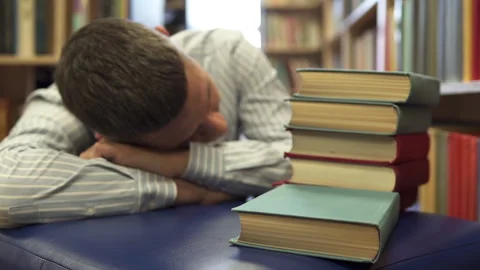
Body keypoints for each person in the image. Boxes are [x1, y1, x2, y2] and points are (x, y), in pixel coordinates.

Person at [0, 18, 292, 229]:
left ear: (163, 35)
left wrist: (175, 161)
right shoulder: (73, 102)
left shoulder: (229, 50)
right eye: (194, 134)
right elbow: (5, 187)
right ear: (110, 138)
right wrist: (182, 190)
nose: (220, 127)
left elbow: (300, 157)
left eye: (209, 96)